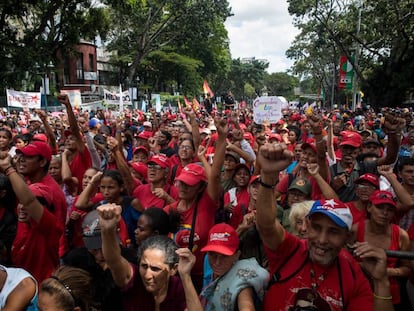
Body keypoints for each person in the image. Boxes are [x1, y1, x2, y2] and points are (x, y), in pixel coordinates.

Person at [255, 142, 394, 311]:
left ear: (347, 237)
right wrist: (268, 177)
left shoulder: (352, 275)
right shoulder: (291, 250)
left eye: (333, 231)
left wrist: (381, 281)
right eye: (317, 228)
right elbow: (267, 225)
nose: (321, 240)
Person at [164, 118, 227, 292]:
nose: (183, 187)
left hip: (202, 277)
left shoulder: (206, 204)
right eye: (181, 182)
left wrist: (221, 137)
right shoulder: (168, 210)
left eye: (189, 184)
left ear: (200, 188)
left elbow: (214, 176)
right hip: (172, 277)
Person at [97, 203, 187, 311]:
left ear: (173, 269)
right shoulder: (135, 280)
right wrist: (107, 230)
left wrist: (186, 277)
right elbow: (113, 260)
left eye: (155, 269)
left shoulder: (178, 287)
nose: (147, 275)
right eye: (144, 266)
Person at [0, 142, 65, 282]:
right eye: (21, 155)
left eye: (28, 157)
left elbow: (30, 200)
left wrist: (8, 168)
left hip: (38, 277)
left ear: (42, 162)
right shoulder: (32, 182)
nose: (22, 159)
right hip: (23, 271)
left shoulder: (46, 191)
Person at [179, 223, 269, 311]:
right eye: (213, 255)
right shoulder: (208, 261)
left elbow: (246, 305)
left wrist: (186, 277)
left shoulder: (242, 281)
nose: (217, 262)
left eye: (225, 256)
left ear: (237, 256)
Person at [352, 190, 411, 307]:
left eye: (389, 209)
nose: (384, 213)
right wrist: (363, 267)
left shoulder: (401, 235)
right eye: (380, 207)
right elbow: (344, 261)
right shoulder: (355, 230)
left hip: (389, 292)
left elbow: (407, 268)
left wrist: (386, 272)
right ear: (369, 207)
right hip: (359, 290)